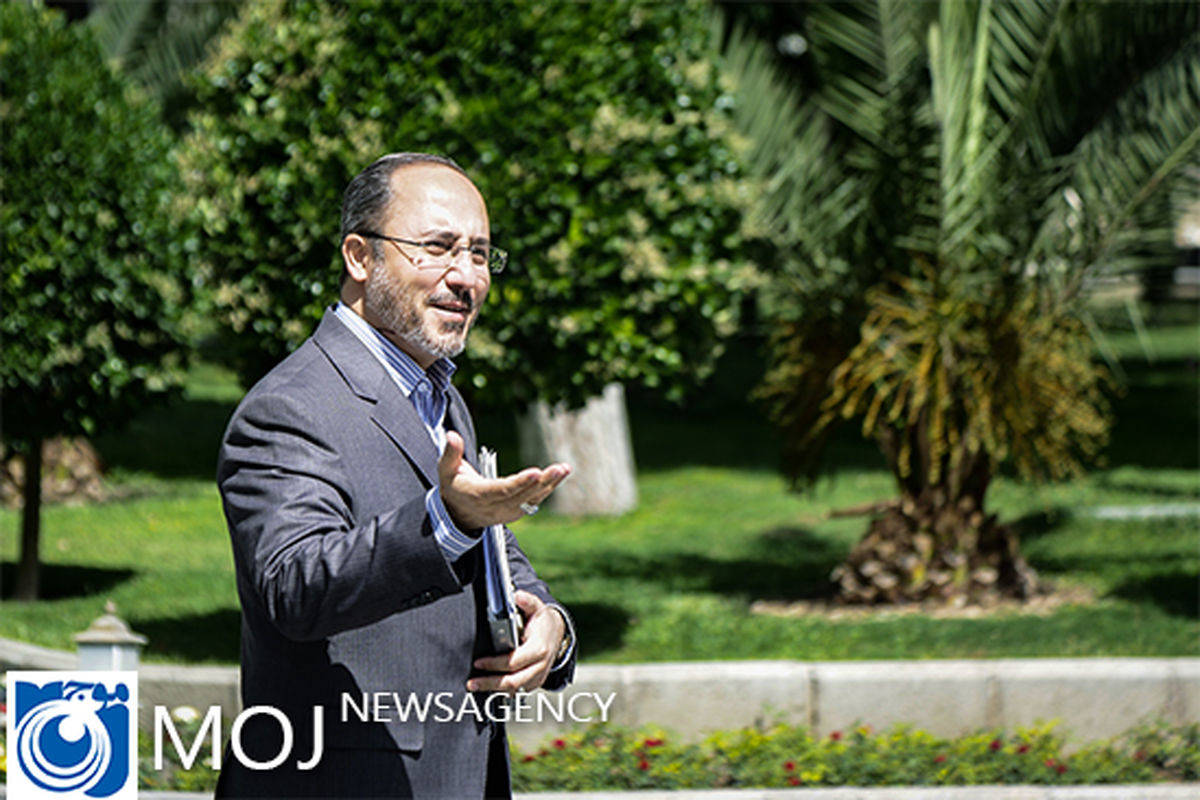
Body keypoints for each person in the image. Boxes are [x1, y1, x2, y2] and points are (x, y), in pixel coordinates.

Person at [215, 152, 577, 799]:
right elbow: (295, 587)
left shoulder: (441, 395)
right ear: (360, 257)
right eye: (437, 248)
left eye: (479, 254)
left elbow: (489, 548)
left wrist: (549, 622)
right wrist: (446, 521)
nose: (465, 277)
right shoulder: (289, 407)